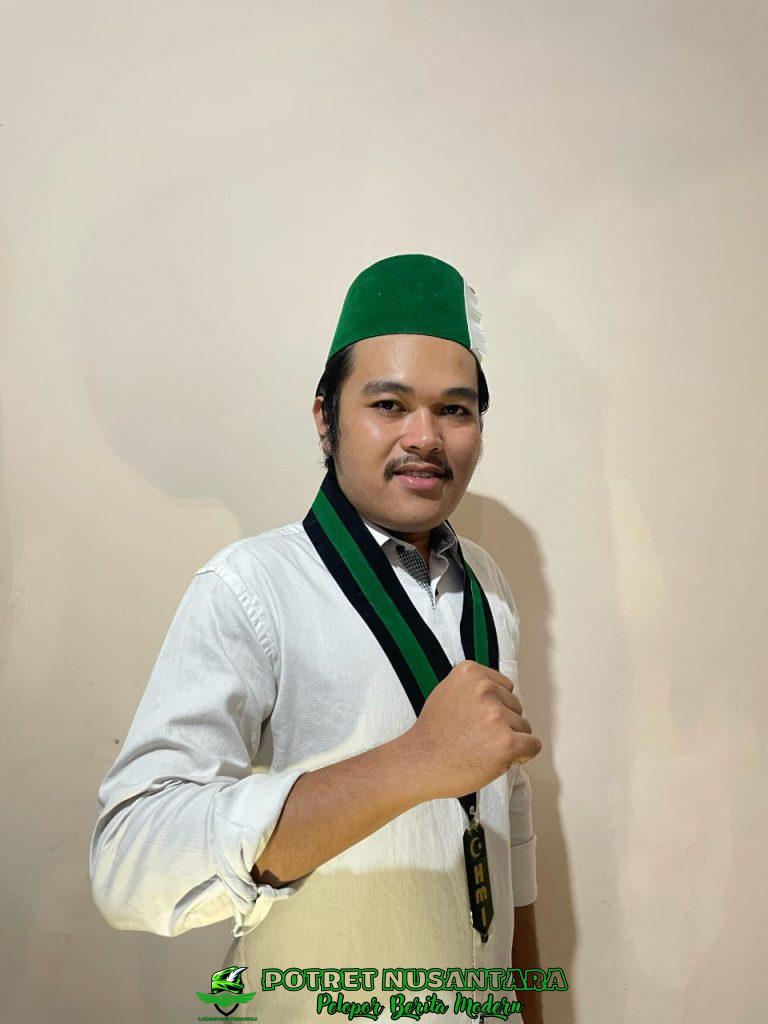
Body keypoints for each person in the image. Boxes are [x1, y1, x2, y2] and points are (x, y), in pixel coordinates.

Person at [90, 253, 544, 1023]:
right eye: (389, 404)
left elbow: (508, 819)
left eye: (455, 410)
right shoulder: (249, 586)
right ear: (325, 418)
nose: (425, 437)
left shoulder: (488, 585)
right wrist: (416, 762)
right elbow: (129, 862)